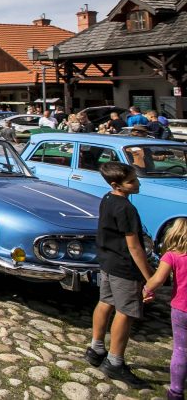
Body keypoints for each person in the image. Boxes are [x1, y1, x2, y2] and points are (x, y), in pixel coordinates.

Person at [86, 162, 154, 387]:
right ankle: (115, 361)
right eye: (132, 181)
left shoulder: (107, 199)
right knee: (125, 312)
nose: (138, 183)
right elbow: (134, 247)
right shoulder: (126, 208)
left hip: (107, 261)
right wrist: (149, 277)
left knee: (105, 302)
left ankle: (96, 349)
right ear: (117, 185)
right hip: (124, 266)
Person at [143, 217, 187, 400]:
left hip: (181, 309)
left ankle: (176, 391)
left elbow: (158, 279)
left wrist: (146, 289)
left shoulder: (172, 256)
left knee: (181, 350)